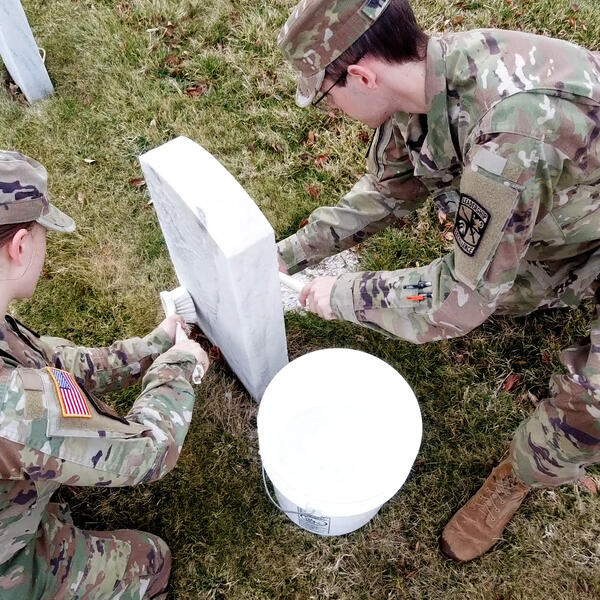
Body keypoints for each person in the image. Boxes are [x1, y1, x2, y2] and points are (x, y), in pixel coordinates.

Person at [276, 0, 600, 561]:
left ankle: (527, 470)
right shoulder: (429, 79)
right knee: (504, 286)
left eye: (327, 96)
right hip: (577, 217)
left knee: (590, 406)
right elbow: (387, 191)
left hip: (576, 214)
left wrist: (343, 295)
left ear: (362, 76)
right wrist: (290, 255)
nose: (332, 110)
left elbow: (456, 301)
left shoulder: (512, 141)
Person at [0, 150, 210, 598]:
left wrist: (151, 347)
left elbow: (43, 362)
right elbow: (150, 451)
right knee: (151, 561)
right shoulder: (16, 409)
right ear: (20, 246)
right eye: (42, 235)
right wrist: (179, 365)